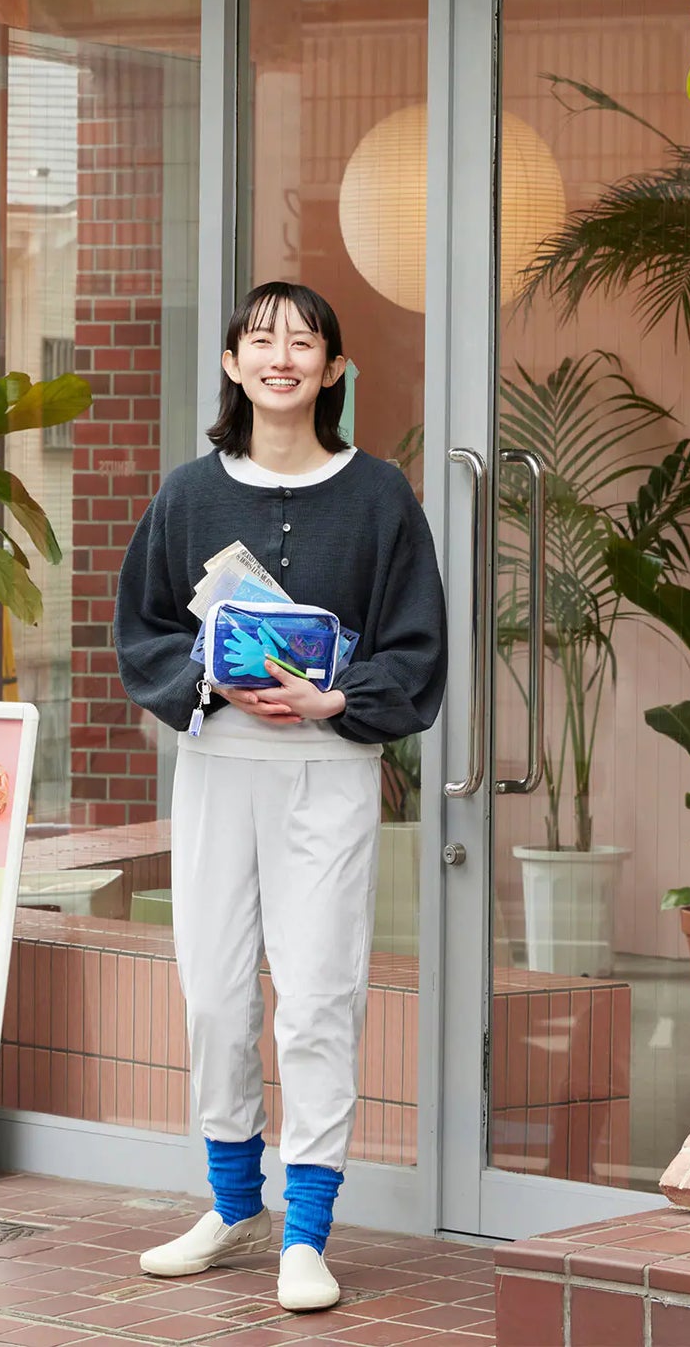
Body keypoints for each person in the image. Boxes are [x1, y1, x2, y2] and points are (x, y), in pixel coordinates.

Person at [113, 281, 447, 1312]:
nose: (281, 355)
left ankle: (305, 1230)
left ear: (333, 370)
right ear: (230, 364)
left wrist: (335, 694)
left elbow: (417, 648)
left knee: (316, 996)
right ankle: (228, 1204)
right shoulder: (186, 494)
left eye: (302, 341)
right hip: (218, 767)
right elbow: (143, 631)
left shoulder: (381, 494)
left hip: (328, 772)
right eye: (260, 339)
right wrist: (207, 675)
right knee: (214, 994)